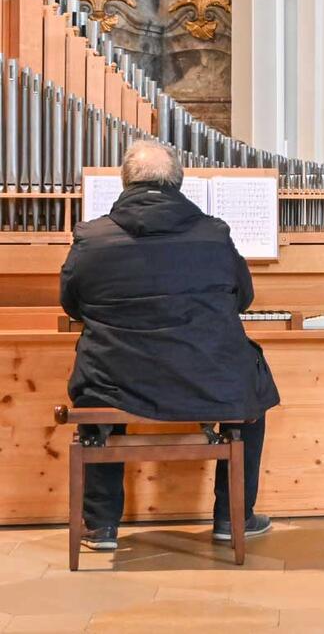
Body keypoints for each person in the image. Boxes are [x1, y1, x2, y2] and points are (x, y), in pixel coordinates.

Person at [62, 140, 279, 551]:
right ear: (178, 183)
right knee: (252, 396)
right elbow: (242, 299)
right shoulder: (215, 236)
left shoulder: (91, 238)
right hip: (209, 379)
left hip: (117, 379)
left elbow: (72, 303)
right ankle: (232, 519)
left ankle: (102, 523)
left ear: (125, 182)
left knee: (100, 377)